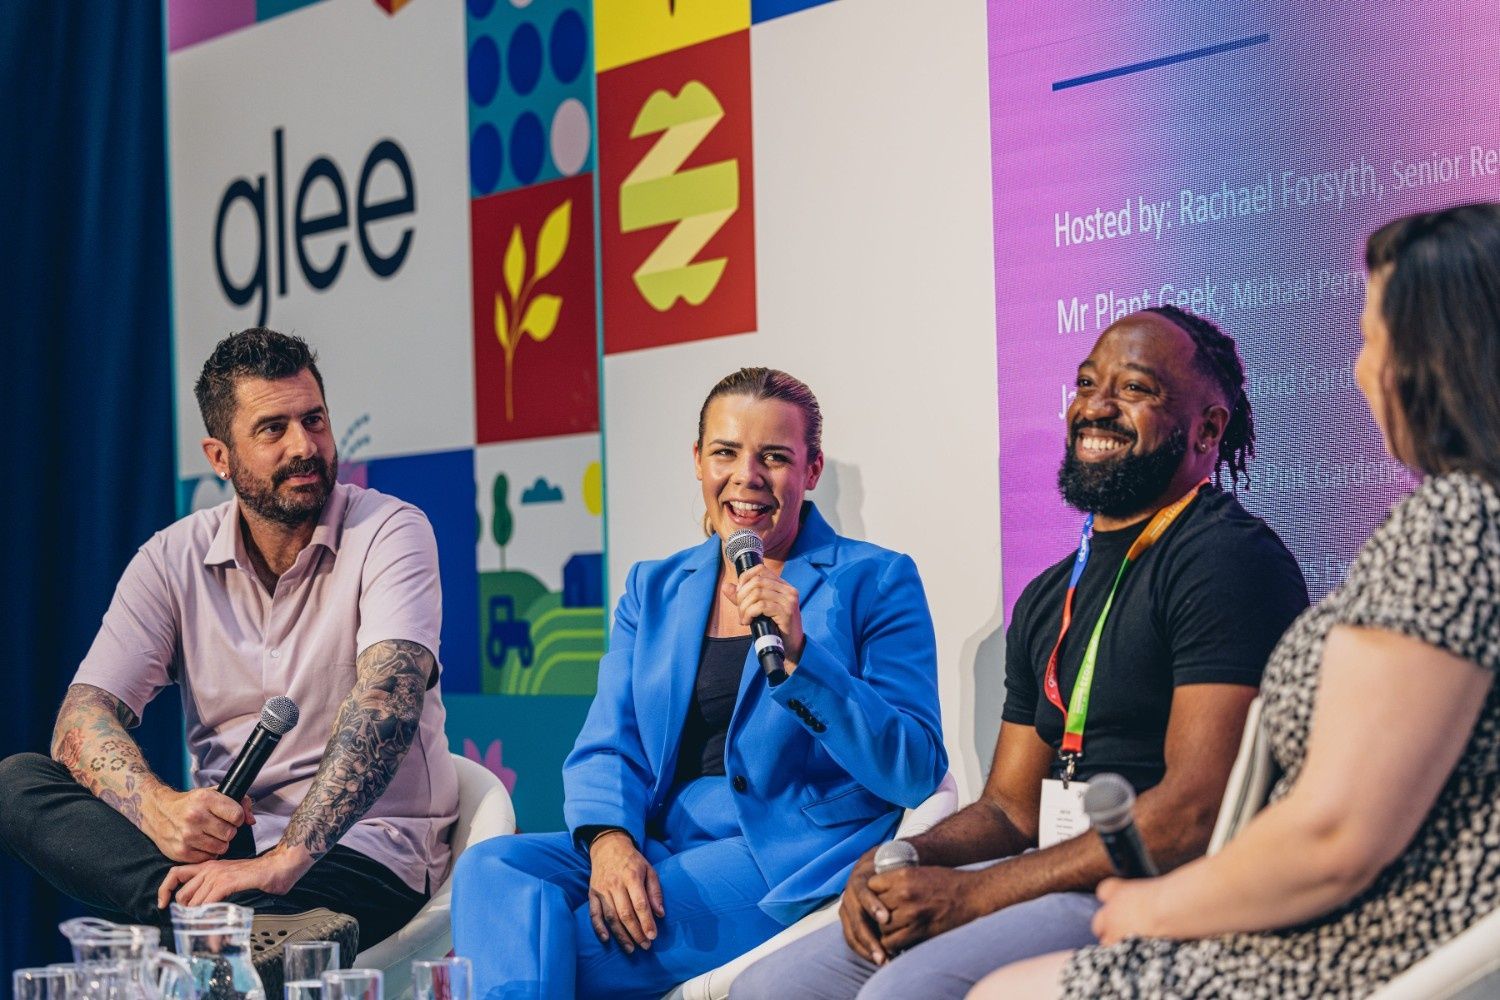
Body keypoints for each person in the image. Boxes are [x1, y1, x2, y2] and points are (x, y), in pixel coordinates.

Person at [971, 204, 1500, 999]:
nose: (1359, 369)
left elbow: (1334, 837)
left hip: (1368, 943)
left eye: (1371, 338)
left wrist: (1156, 905)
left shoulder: (1456, 524)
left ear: (1434, 357)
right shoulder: (1466, 521)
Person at [732, 308, 1309, 1000]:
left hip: (1162, 894)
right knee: (772, 988)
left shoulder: (1225, 559)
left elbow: (1193, 813)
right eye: (1088, 384)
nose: (1096, 407)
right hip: (1055, 878)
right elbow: (1010, 809)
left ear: (1208, 429)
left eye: (1135, 390)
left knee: (902, 994)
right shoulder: (1046, 595)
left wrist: (974, 897)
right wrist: (893, 861)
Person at [450, 367, 948, 1000]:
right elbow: (610, 740)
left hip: (774, 851)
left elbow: (914, 766)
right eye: (725, 452)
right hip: (655, 837)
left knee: (559, 946)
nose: (747, 476)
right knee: (492, 869)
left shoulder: (874, 580)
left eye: (774, 456)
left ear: (812, 469)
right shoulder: (653, 588)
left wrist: (802, 655)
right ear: (697, 461)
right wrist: (609, 840)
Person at [0, 328, 458, 990]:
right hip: (232, 859)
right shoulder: (171, 557)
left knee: (268, 928)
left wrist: (283, 861)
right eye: (273, 429)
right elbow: (82, 718)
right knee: (18, 784)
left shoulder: (390, 529)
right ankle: (223, 924)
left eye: (314, 420)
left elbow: (387, 698)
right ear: (220, 455)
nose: (304, 446)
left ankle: (224, 928)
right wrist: (158, 809)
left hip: (363, 850)